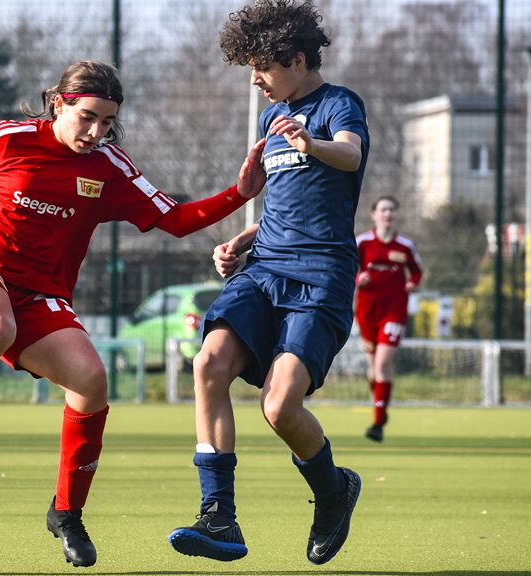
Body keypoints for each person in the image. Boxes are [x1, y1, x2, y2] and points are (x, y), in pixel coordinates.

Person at [0, 59, 267, 568]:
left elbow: (175, 218)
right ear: (60, 104)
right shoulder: (6, 139)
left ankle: (67, 512)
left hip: (39, 294)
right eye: (87, 117)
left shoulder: (109, 167)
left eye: (107, 123)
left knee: (92, 380)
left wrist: (241, 193)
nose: (97, 131)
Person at [167, 0, 368, 566]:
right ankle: (219, 518)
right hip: (264, 269)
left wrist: (312, 143)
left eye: (261, 68)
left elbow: (349, 157)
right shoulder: (266, 120)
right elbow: (284, 202)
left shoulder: (338, 104)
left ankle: (334, 492)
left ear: (297, 60)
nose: (254, 80)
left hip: (320, 277)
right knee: (208, 363)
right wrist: (243, 242)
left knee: (279, 408)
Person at [355, 196, 422, 442]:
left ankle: (378, 422)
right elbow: (348, 267)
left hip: (394, 310)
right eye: (383, 209)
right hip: (367, 311)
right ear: (374, 214)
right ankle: (380, 405)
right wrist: (357, 278)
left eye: (392, 210)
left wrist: (411, 284)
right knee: (373, 369)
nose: (387, 214)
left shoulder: (405, 245)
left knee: (382, 364)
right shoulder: (362, 242)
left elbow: (416, 272)